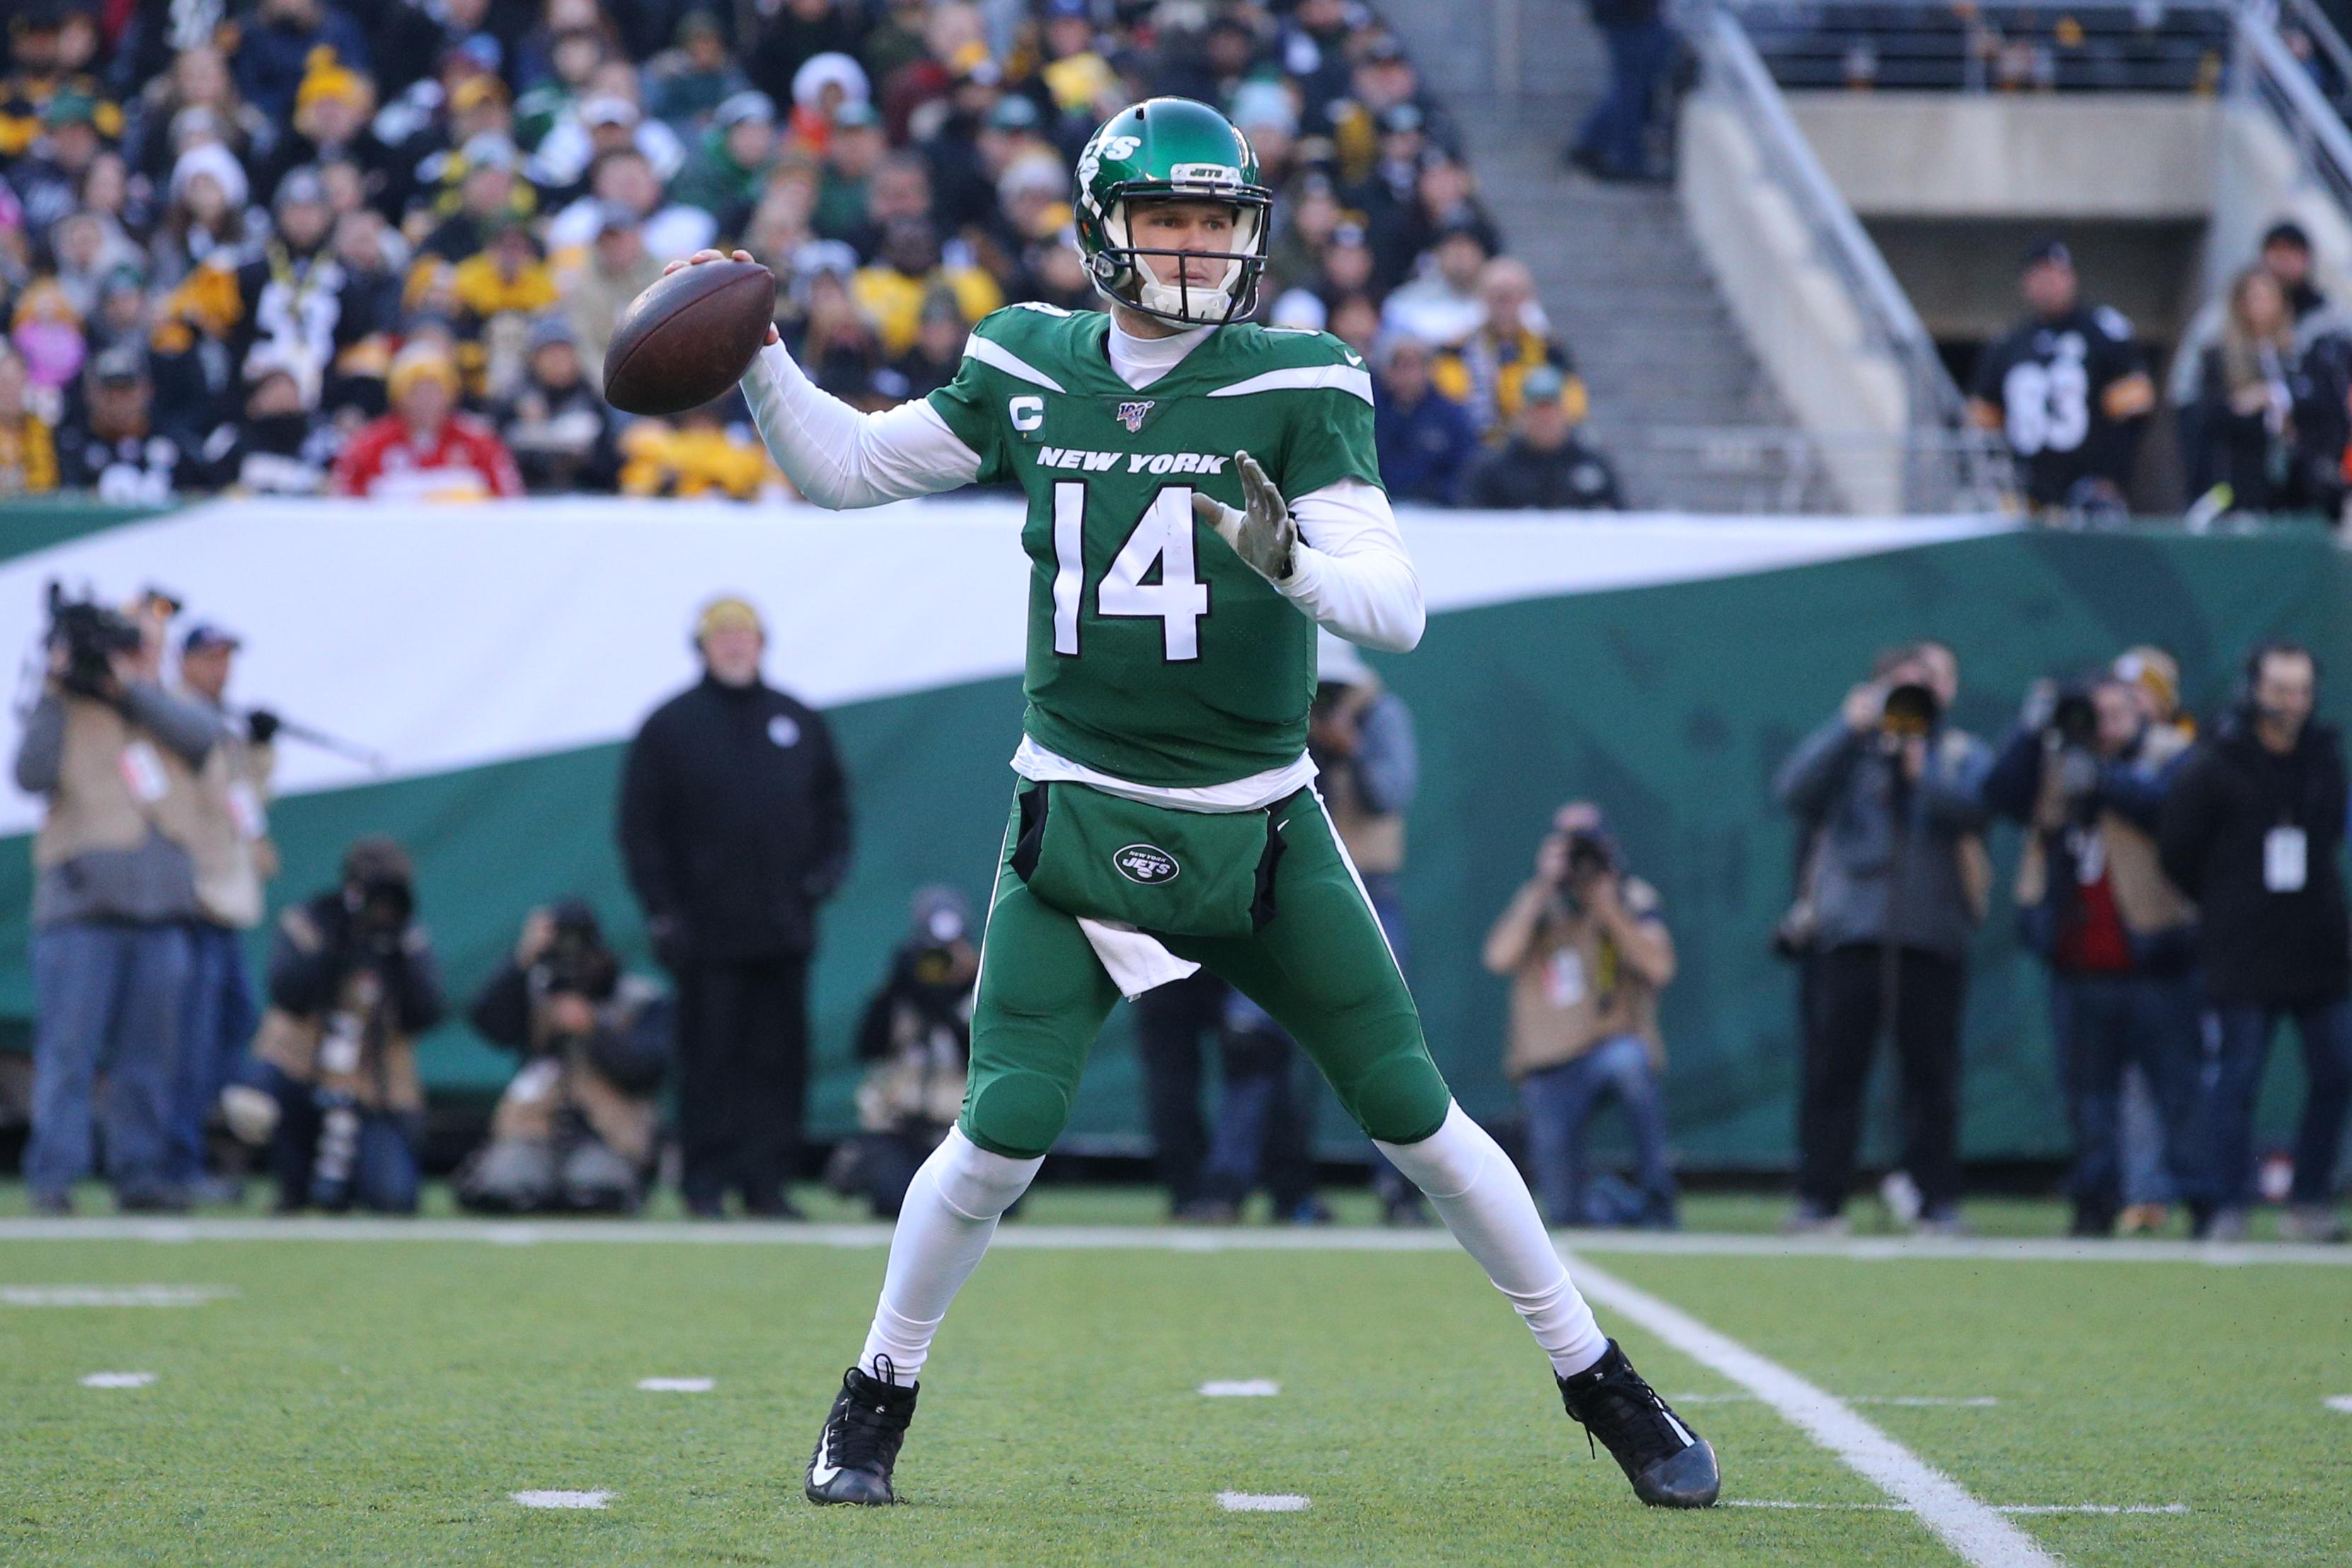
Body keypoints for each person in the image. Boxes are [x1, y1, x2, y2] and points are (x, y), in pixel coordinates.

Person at [693, 95, 1717, 1511]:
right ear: (1102, 231)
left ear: (1250, 236)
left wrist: (1288, 560)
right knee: (995, 1138)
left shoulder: (1298, 378)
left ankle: (1599, 1380)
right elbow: (846, 465)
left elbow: (1394, 609)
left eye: (1211, 221)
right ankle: (872, 1395)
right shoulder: (1024, 359)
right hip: (1073, 818)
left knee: (1416, 1116)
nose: (1187, 247)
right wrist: (756, 361)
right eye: (1162, 219)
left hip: (1256, 819)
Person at [618, 595, 851, 1220]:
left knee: (779, 1061)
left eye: (743, 634)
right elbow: (641, 828)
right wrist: (662, 909)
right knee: (709, 1059)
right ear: (701, 646)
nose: (733, 644)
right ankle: (704, 1182)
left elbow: (833, 808)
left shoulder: (796, 719)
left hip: (783, 929)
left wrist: (824, 876)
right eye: (721, 635)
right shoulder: (669, 726)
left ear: (761, 642)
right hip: (706, 934)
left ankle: (767, 1181)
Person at [1774, 641, 1992, 1235]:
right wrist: (1849, 730)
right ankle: (1820, 1198)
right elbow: (1793, 791)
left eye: (1925, 683)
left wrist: (1920, 774)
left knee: (1932, 1077)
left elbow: (1980, 808)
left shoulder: (1959, 753)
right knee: (1833, 1073)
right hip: (1851, 935)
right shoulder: (1851, 753)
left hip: (1931, 937)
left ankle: (1936, 1199)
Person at [11, 589, 217, 1213]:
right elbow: (30, 774)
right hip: (80, 912)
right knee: (69, 1053)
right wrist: (56, 685)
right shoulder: (64, 708)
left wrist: (129, 689)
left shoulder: (165, 707)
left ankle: (141, 1172)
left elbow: (204, 740)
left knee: (150, 1059)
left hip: (161, 913)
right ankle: (55, 1175)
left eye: (142, 647)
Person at [1981, 675, 2200, 1237]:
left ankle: (2205, 1206)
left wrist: (2103, 779)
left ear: (2138, 714)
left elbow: (2173, 813)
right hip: (2077, 965)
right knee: (2088, 1100)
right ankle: (2094, 1206)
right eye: (2091, 715)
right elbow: (1998, 795)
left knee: (2179, 1093)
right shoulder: (2055, 763)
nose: (2102, 727)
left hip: (2156, 961)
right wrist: (2032, 732)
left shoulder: (2168, 755)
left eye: (2114, 714)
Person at [2159, 644, 2351, 1243]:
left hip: (2316, 943)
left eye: (2299, 690)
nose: (2290, 703)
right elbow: (2177, 852)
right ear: (2254, 689)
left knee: (2338, 1067)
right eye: (2278, 689)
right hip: (2242, 946)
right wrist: (2225, 903)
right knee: (2236, 1077)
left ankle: (2309, 1198)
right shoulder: (2216, 764)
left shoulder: (2323, 760)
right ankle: (2227, 1203)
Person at [1483, 804, 1678, 1228]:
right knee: (1566, 1212)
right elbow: (1499, 957)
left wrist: (1608, 907)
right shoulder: (1539, 900)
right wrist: (1542, 887)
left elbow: (1659, 968)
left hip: (1608, 1045)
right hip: (1550, 1062)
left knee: (1631, 1063)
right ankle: (1612, 1202)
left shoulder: (1632, 896)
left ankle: (1658, 1197)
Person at [250, 837, 443, 1214]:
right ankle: (295, 1181)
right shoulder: (313, 921)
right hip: (306, 1075)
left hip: (373, 1088)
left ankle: (350, 1180)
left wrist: (397, 958)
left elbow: (427, 1013)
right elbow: (287, 994)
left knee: (394, 1197)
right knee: (263, 1089)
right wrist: (339, 949)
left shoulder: (406, 938)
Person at [457, 900, 670, 1214]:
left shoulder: (637, 999)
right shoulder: (535, 991)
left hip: (609, 1133)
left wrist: (593, 1028)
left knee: (594, 1190)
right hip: (535, 1129)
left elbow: (646, 1071)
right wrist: (521, 960)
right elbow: (488, 1022)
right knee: (505, 1187)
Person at [166, 623, 279, 1201]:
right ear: (183, 662)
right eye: (211, 657)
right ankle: (179, 1166)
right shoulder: (175, 719)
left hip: (229, 904)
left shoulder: (220, 723)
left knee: (230, 1028)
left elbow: (244, 804)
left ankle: (200, 1155)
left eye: (228, 658)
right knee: (190, 1041)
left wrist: (259, 748)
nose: (222, 669)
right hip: (196, 900)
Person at [1968, 240, 2156, 515]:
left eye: (2056, 274)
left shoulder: (2102, 333)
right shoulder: (2009, 343)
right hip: (2026, 493)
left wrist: (2112, 478)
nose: (2049, 283)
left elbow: (2134, 414)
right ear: (2025, 283)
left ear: (2071, 278)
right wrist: (1999, 481)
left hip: (2088, 490)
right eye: (2039, 275)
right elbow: (1983, 421)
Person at [834, 887, 978, 1219]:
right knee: (893, 1196)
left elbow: (976, 1053)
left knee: (982, 1204)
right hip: (901, 1127)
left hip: (959, 1133)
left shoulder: (982, 999)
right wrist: (898, 987)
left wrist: (950, 999)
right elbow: (868, 1049)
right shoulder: (900, 999)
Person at [2189, 267, 2341, 517]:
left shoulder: (2297, 358)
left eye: (2269, 298)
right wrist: (2251, 406)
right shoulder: (2219, 357)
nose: (2262, 307)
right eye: (2254, 298)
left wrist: (2278, 402)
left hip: (2291, 488)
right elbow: (2212, 415)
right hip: (2236, 484)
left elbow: (2318, 411)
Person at [331, 341, 522, 499]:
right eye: (416, 391)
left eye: (435, 390)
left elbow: (510, 498)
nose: (426, 399)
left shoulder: (479, 442)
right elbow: (342, 500)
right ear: (398, 395)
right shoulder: (368, 444)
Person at [1463, 364, 1623, 509]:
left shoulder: (1592, 466)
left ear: (1565, 413)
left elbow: (1619, 520)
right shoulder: (1495, 470)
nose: (1544, 419)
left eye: (1551, 410)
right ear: (1522, 415)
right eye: (1536, 411)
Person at [1569, 0, 1675, 183]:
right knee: (1631, 89)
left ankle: (1592, 145)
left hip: (1629, 14)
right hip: (1630, 15)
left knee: (1632, 86)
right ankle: (1624, 159)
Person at [1371, 328, 1478, 506]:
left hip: (1435, 511)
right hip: (1378, 507)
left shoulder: (1451, 416)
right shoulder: (1366, 414)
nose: (1408, 376)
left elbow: (1465, 469)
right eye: (1400, 366)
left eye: (1415, 366)